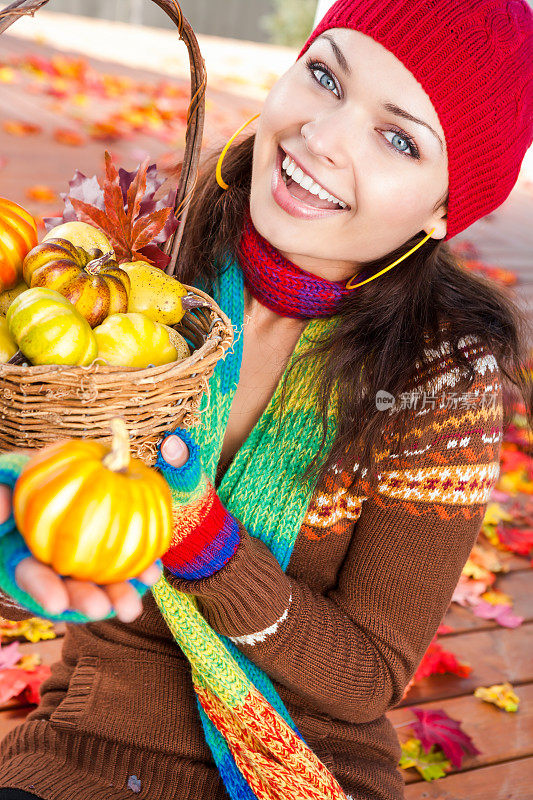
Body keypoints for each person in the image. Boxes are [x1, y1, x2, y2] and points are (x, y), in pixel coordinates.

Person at [0, 0, 532, 798]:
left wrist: (203, 541)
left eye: (397, 137)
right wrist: (20, 544)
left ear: (444, 209)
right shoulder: (141, 275)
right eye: (324, 76)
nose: (320, 138)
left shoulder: (441, 376)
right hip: (87, 750)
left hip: (312, 764)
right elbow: (61, 551)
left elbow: (365, 680)